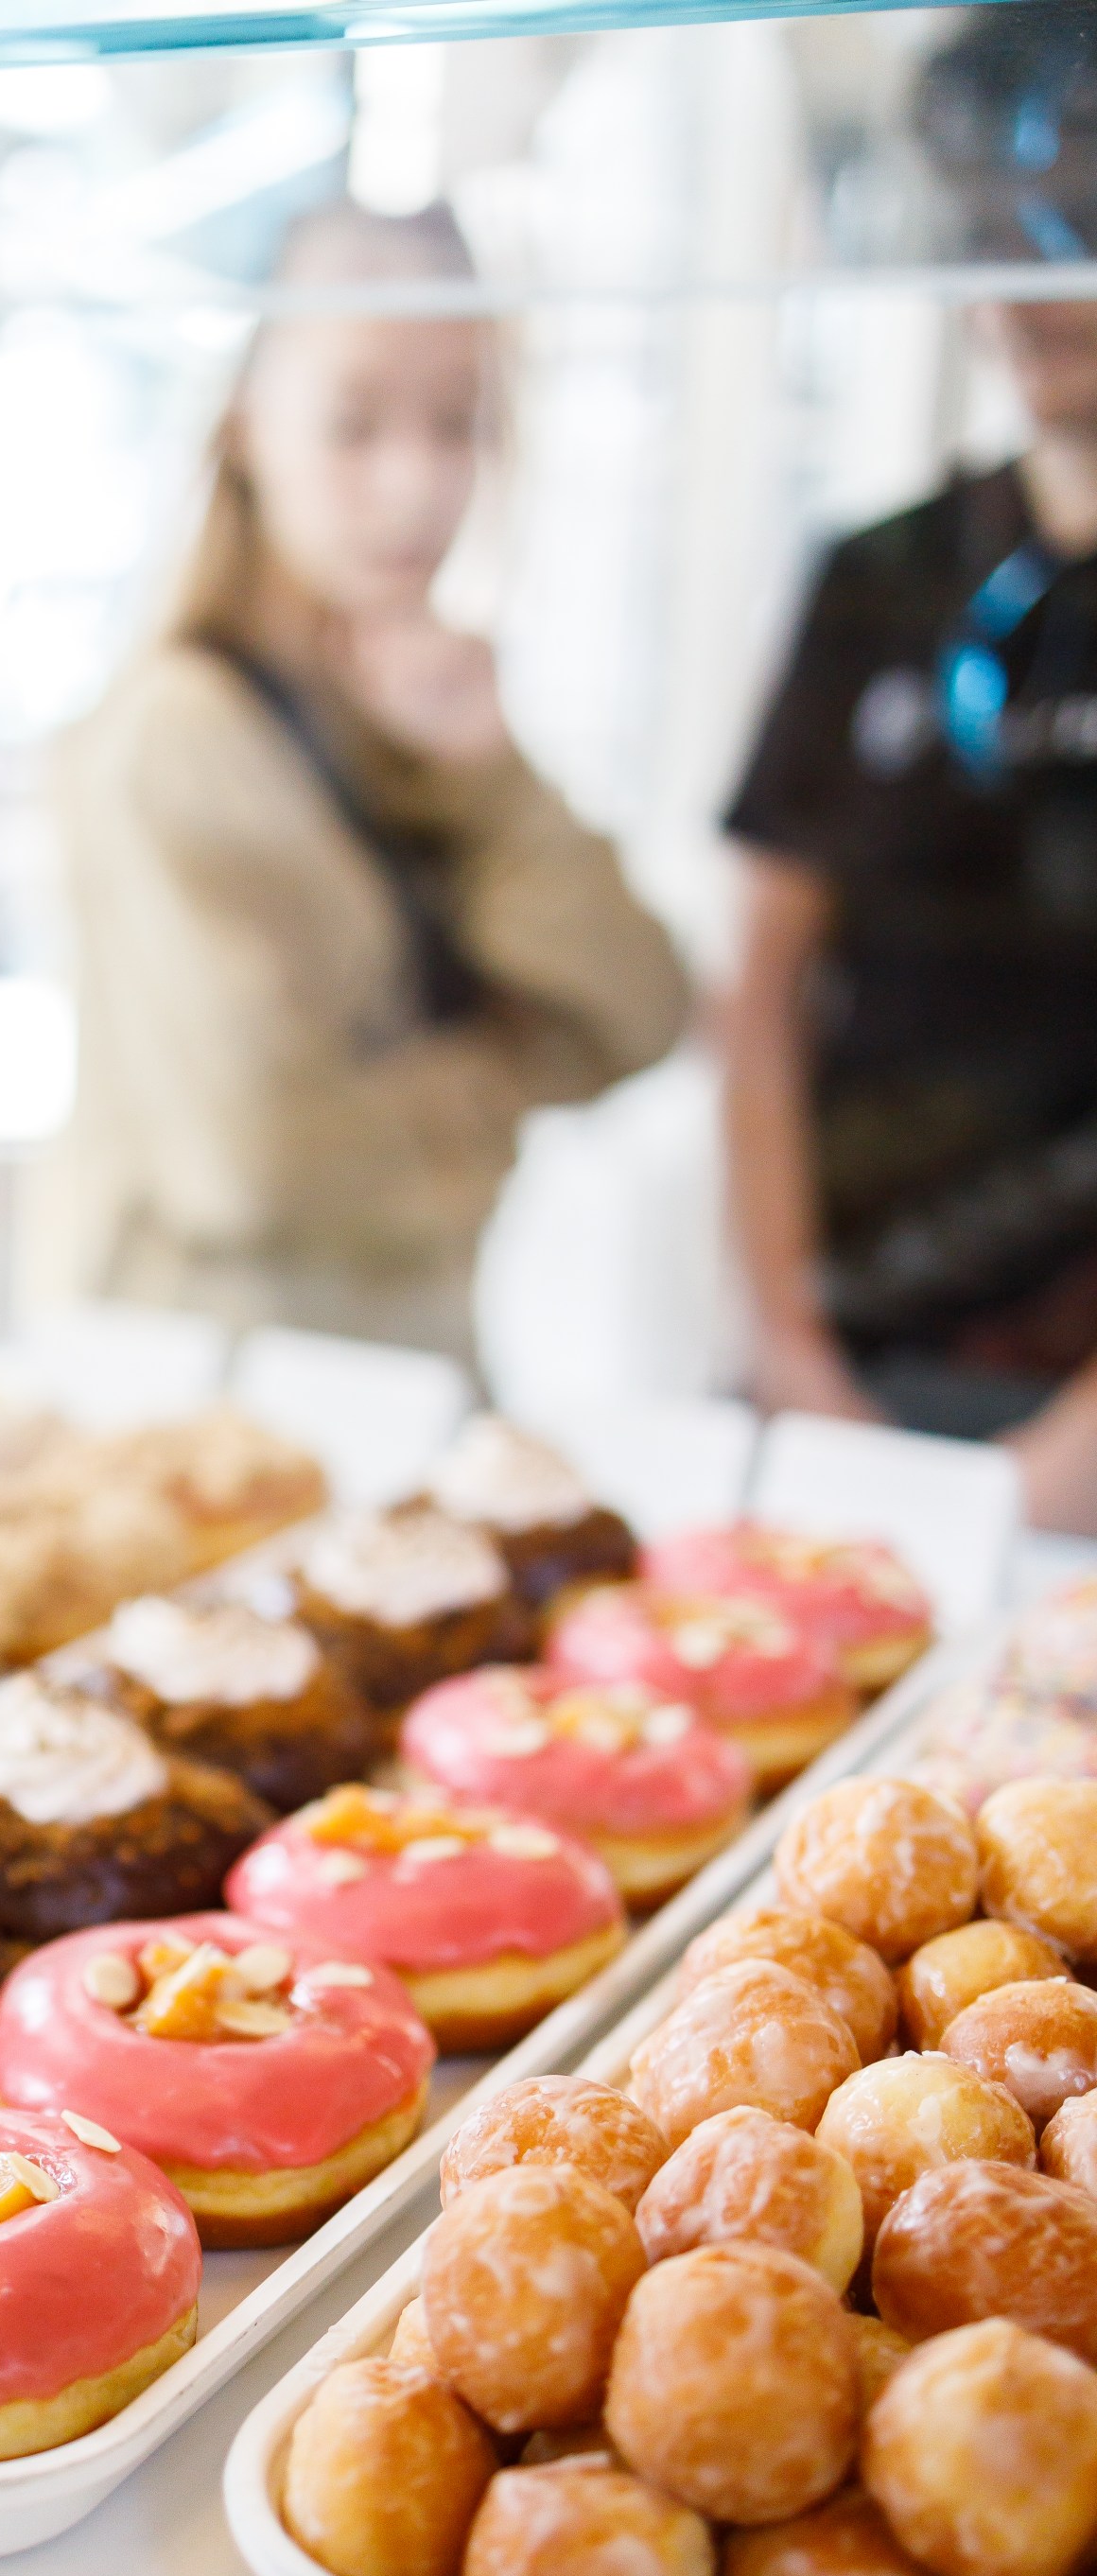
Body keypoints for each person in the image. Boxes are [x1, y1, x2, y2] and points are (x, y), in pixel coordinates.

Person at [32, 200, 687, 1356]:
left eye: (457, 424)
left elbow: (639, 1017)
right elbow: (266, 1160)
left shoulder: (410, 716)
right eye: (353, 424)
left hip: (393, 1387)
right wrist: (501, 1086)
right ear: (245, 427)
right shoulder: (181, 729)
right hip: (217, 1415)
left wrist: (493, 780)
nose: (414, 485)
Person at [723, 13, 1097, 1534]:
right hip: (851, 1369)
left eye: (1070, 203)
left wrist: (1070, 1456)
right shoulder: (875, 579)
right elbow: (752, 991)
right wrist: (788, 1353)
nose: (1021, 265)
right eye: (982, 214)